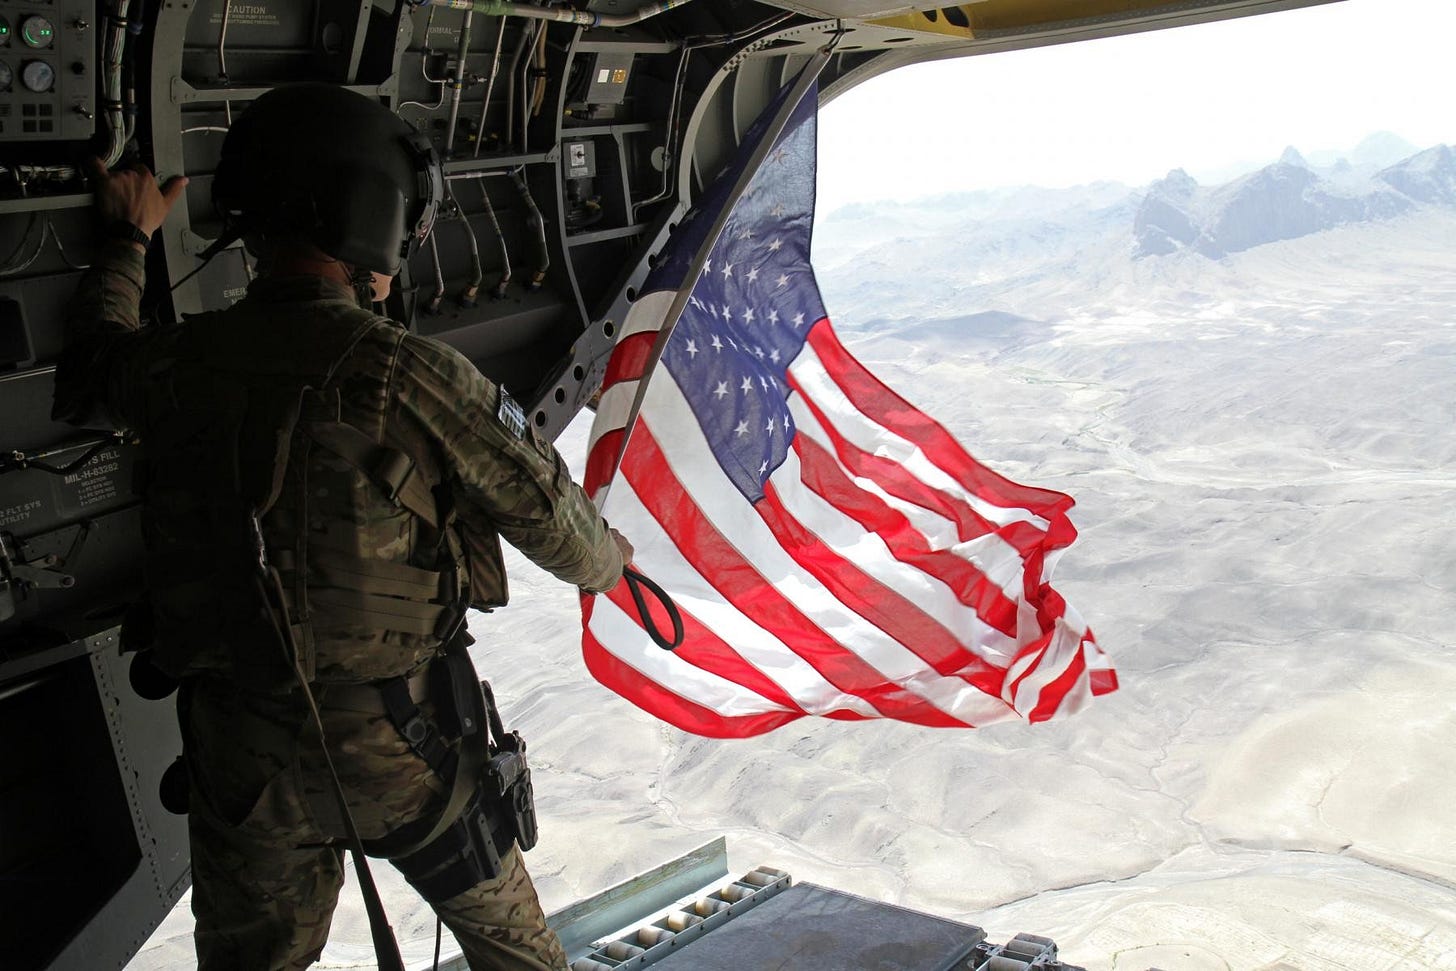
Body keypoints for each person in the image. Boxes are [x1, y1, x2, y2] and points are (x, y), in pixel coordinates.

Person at [53, 84, 629, 971]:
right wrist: (615, 563)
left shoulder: (173, 365)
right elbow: (569, 538)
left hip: (243, 767)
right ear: (369, 221)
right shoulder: (414, 374)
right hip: (403, 750)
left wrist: (129, 237)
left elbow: (90, 367)